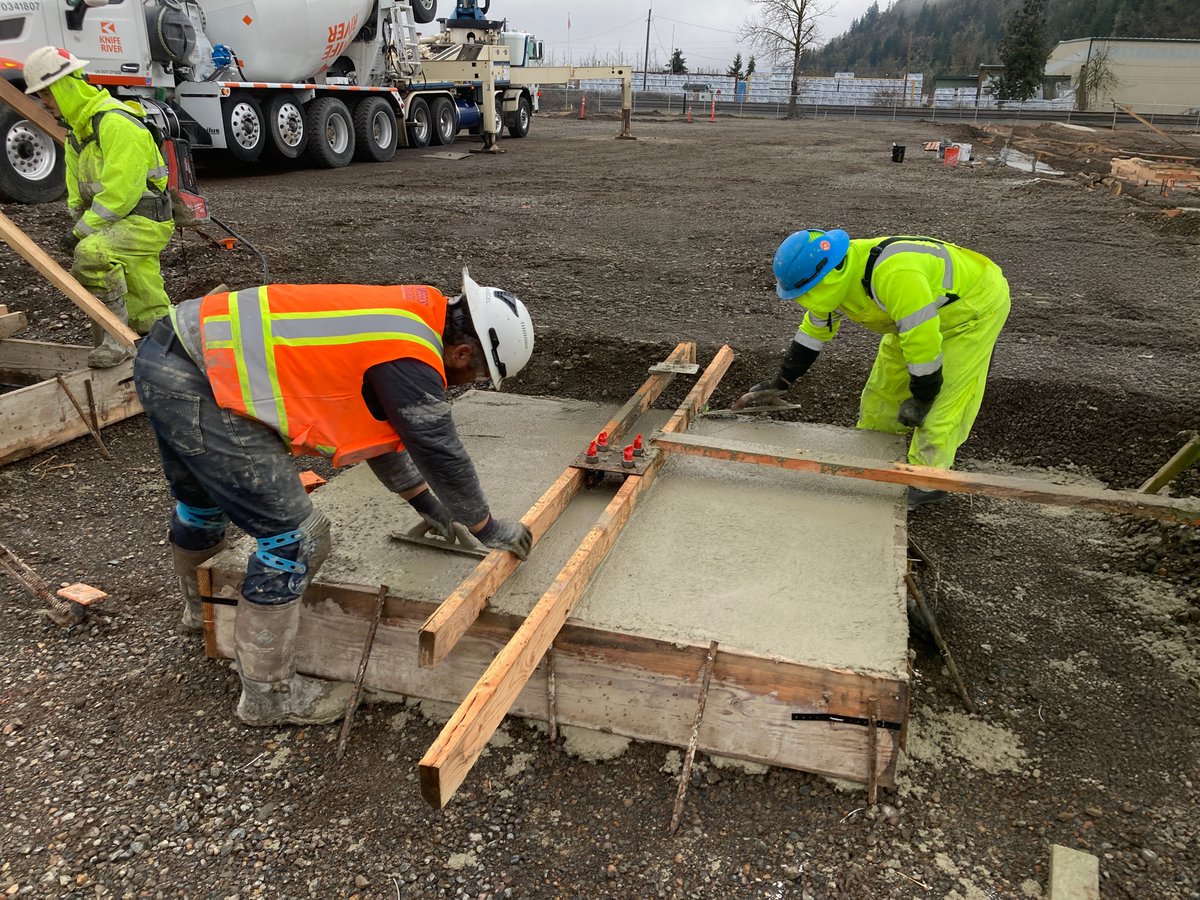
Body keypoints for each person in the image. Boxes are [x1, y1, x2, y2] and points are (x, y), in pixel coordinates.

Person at [132, 268, 536, 726]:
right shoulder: (411, 356)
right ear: (462, 352)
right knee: (295, 540)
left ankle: (204, 613)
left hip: (171, 354)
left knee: (203, 502)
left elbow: (381, 434)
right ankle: (269, 697)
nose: (466, 382)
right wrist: (486, 526)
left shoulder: (406, 319)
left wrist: (428, 505)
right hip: (202, 380)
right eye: (475, 374)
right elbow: (439, 450)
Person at [734, 230, 1010, 508]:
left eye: (806, 293)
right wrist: (782, 381)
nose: (804, 300)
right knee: (881, 396)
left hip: (971, 309)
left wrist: (923, 398)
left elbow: (923, 343)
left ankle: (927, 482)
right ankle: (880, 461)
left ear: (825, 277)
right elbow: (815, 331)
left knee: (942, 407)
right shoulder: (833, 277)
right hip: (914, 315)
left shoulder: (894, 274)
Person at [23, 46, 174, 368]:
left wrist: (80, 233)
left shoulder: (115, 123)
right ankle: (162, 342)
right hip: (119, 222)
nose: (44, 103)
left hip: (143, 220)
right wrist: (78, 217)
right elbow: (77, 188)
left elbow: (121, 193)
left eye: (47, 94)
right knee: (143, 290)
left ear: (66, 86)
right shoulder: (80, 132)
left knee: (93, 255)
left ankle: (115, 341)